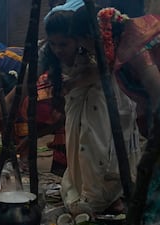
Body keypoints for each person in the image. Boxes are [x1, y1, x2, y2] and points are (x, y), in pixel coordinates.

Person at [44, 8, 141, 217]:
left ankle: (106, 196)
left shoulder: (98, 49)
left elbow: (101, 71)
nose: (58, 49)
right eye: (53, 44)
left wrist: (74, 82)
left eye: (64, 44)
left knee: (101, 148)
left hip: (102, 103)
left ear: (78, 39)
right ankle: (84, 191)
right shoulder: (54, 58)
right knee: (79, 149)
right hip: (78, 108)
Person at [70, 6, 160, 224]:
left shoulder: (134, 50)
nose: (87, 51)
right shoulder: (121, 49)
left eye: (86, 45)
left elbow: (157, 92)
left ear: (92, 36)